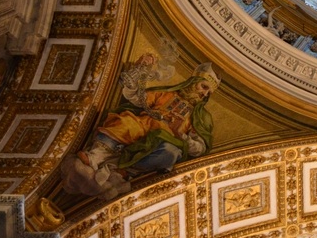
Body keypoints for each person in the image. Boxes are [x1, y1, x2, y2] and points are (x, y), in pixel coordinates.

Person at [76, 61, 220, 177]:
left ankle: (127, 171)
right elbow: (138, 99)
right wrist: (136, 77)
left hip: (166, 139)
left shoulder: (200, 116)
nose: (205, 94)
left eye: (209, 92)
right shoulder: (166, 94)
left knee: (171, 153)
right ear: (194, 81)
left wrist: (182, 136)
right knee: (125, 122)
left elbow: (200, 149)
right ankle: (95, 157)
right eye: (204, 86)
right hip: (143, 126)